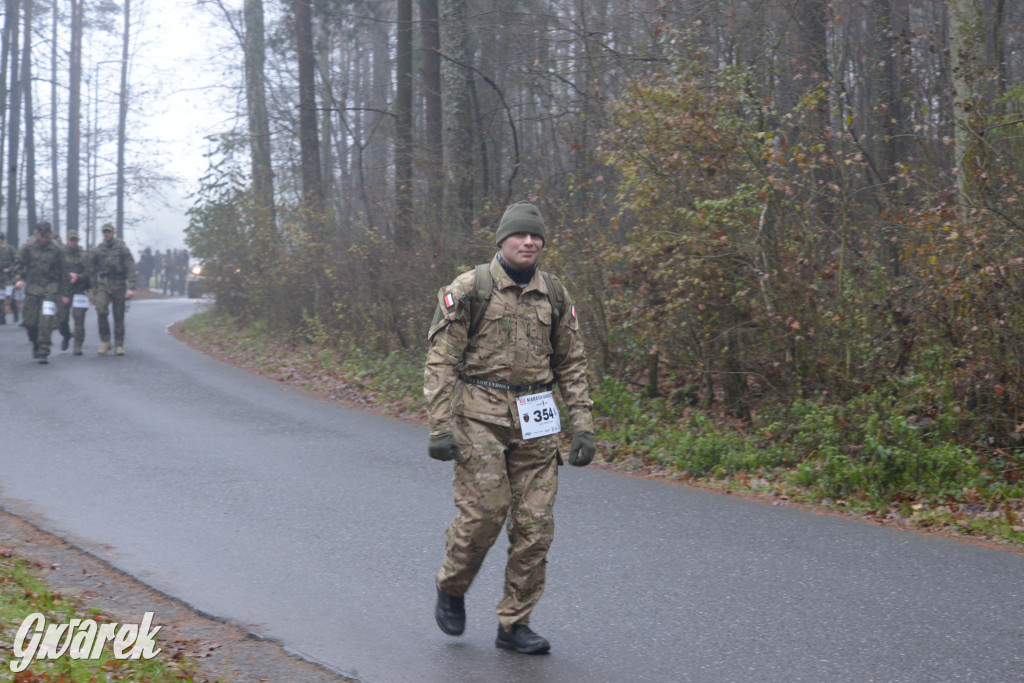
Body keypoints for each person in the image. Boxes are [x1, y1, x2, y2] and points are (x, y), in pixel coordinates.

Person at [424, 200, 596, 655]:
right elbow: (442, 360)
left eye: (536, 236)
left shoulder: (555, 295)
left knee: (535, 525)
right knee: (484, 516)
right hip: (480, 415)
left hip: (537, 419)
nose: (529, 242)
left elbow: (572, 363)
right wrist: (440, 426)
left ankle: (514, 623)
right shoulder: (470, 288)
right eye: (520, 235)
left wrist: (583, 425)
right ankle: (452, 585)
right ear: (502, 240)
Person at [12, 221, 69, 364]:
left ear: (50, 234)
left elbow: (64, 271)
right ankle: (36, 342)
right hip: (32, 289)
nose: (44, 239)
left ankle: (44, 349)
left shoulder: (57, 249)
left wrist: (65, 293)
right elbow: (18, 262)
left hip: (50, 289)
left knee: (46, 321)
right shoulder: (29, 247)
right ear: (37, 233)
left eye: (46, 236)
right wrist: (19, 279)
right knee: (29, 323)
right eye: (41, 236)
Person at [89, 223, 135, 355]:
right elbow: (91, 268)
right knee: (101, 310)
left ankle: (119, 344)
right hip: (104, 283)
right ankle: (105, 341)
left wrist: (131, 287)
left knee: (118, 315)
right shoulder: (98, 250)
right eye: (104, 232)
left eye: (108, 231)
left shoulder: (121, 248)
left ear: (113, 232)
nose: (106, 234)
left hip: (119, 283)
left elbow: (130, 266)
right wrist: (94, 288)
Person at [58, 230, 91, 355]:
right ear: (67, 240)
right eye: (71, 240)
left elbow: (89, 272)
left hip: (79, 291)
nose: (73, 242)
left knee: (79, 318)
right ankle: (66, 336)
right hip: (64, 290)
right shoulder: (60, 254)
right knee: (61, 320)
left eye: (75, 240)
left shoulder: (84, 256)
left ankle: (78, 345)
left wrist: (79, 276)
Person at [0, 232, 14, 324]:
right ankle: (2, 316)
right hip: (1, 277)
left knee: (10, 296)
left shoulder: (10, 248)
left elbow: (16, 261)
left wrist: (10, 269)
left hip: (9, 277)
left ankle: (15, 310)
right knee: (0, 297)